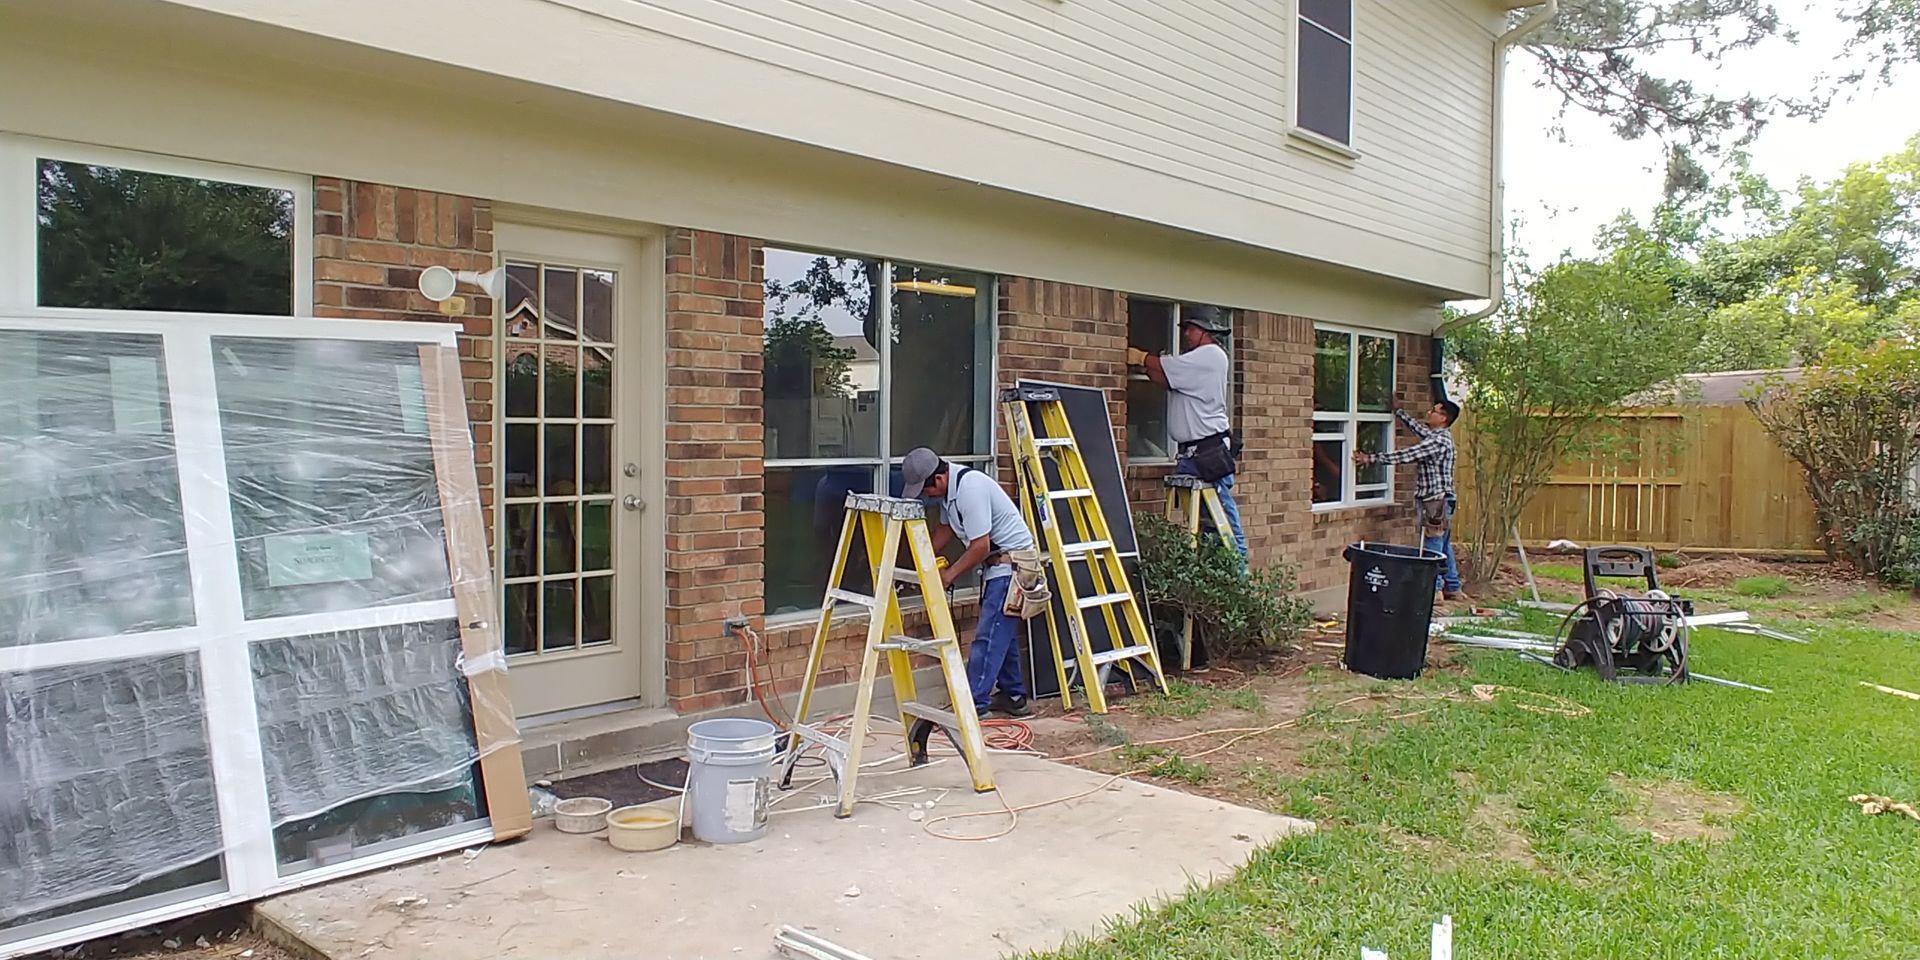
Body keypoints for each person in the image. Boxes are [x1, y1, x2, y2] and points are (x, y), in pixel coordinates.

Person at [899, 446, 1041, 718]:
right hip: (997, 564)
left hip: (1011, 565)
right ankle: (1014, 697)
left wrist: (949, 575)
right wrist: (917, 558)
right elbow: (946, 529)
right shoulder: (949, 494)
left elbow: (979, 546)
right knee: (1003, 634)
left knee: (988, 638)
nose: (926, 497)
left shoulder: (969, 489)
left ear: (938, 480)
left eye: (925, 491)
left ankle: (972, 704)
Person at [1127, 305, 1247, 558]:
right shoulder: (1196, 364)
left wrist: (1143, 358)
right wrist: (1146, 368)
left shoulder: (1211, 355)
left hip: (1208, 450)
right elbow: (1166, 379)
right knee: (1204, 522)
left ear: (1205, 331)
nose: (1186, 334)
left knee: (1222, 515)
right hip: (1192, 454)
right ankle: (1212, 572)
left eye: (1191, 329)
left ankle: (1240, 573)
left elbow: (1166, 366)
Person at [1355, 400, 1464, 601]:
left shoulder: (1437, 442)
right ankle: (1453, 586)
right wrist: (1399, 412)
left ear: (1443, 418)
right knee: (1443, 542)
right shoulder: (1437, 436)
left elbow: (1406, 455)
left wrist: (1371, 459)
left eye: (1434, 411)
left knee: (1433, 543)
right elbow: (1418, 429)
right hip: (1442, 500)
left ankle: (1434, 590)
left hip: (1435, 501)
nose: (1429, 412)